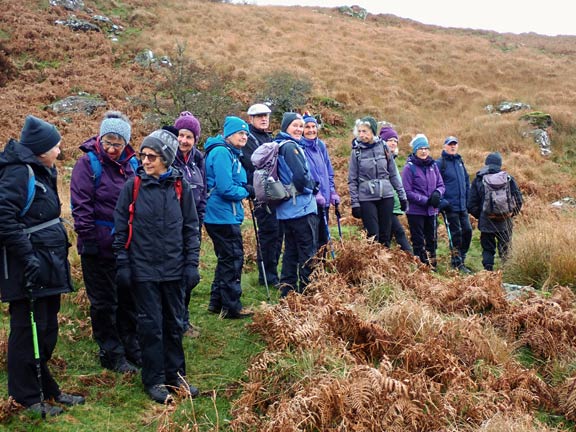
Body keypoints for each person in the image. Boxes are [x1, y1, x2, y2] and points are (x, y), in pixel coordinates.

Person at [0, 115, 85, 416]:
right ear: (40, 149)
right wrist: (27, 256)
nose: (60, 151)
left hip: (47, 263)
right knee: (28, 331)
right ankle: (25, 397)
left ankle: (46, 388)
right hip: (28, 266)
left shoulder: (42, 170)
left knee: (46, 329)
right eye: (56, 146)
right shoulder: (17, 173)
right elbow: (4, 219)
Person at [113, 129, 201, 404]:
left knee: (174, 324)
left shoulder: (180, 187)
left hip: (174, 269)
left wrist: (191, 264)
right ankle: (154, 380)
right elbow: (120, 228)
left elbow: (191, 227)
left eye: (152, 156)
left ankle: (177, 377)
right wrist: (123, 264)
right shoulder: (133, 186)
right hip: (144, 271)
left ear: (166, 159)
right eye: (143, 155)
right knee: (151, 327)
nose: (146, 161)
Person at [70, 111, 140, 374]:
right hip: (97, 247)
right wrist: (88, 240)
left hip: (126, 246)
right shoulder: (87, 164)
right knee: (104, 302)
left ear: (126, 143)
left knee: (128, 298)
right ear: (100, 138)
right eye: (107, 141)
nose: (111, 148)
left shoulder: (133, 165)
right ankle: (111, 352)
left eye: (117, 143)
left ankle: (131, 344)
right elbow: (81, 206)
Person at [204, 116, 254, 319]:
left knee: (226, 259)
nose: (244, 136)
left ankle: (216, 303)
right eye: (240, 133)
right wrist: (247, 190)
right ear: (228, 134)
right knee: (233, 259)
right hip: (222, 216)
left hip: (223, 214)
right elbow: (225, 188)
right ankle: (232, 307)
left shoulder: (229, 153)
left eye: (245, 133)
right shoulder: (222, 153)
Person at [275, 112, 318, 297]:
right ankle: (307, 293)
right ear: (286, 127)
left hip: (286, 209)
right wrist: (311, 188)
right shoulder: (290, 147)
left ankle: (288, 292)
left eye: (301, 125)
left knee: (290, 252)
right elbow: (300, 176)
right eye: (295, 125)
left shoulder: (280, 145)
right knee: (307, 253)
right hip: (301, 208)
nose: (300, 129)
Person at [171, 111, 206, 338]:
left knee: (189, 275)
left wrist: (199, 220)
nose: (184, 141)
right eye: (181, 135)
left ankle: (184, 319)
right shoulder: (166, 159)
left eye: (189, 137)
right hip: (172, 228)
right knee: (175, 275)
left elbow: (202, 194)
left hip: (192, 227)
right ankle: (177, 322)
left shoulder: (198, 161)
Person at [348, 117, 407, 248]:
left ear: (373, 132)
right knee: (373, 235)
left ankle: (383, 265)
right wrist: (355, 203)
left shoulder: (384, 147)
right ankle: (374, 263)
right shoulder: (356, 152)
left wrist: (402, 196)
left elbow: (393, 174)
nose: (361, 134)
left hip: (386, 196)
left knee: (386, 236)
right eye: (360, 131)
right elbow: (352, 180)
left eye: (365, 131)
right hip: (366, 198)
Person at [241, 103, 282, 287]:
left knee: (278, 232)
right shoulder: (249, 139)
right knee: (268, 233)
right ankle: (267, 275)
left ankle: (273, 273)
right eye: (259, 116)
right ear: (251, 119)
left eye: (266, 115)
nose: (264, 118)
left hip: (274, 192)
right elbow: (253, 164)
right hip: (260, 194)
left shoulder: (268, 137)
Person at [467, 152, 523, 271]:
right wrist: (510, 214)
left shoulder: (479, 179)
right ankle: (508, 272)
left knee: (488, 249)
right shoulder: (508, 178)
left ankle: (488, 274)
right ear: (500, 164)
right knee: (506, 248)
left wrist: (482, 215)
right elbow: (519, 200)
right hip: (505, 222)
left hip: (487, 223)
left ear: (486, 164)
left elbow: (471, 204)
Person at [401, 134, 445, 268]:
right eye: (420, 148)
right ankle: (421, 267)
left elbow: (441, 185)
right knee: (418, 240)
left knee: (432, 239)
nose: (424, 151)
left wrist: (438, 193)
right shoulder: (409, 168)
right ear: (415, 150)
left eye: (426, 148)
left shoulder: (433, 166)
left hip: (431, 210)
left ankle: (432, 265)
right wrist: (425, 200)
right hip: (415, 211)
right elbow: (407, 192)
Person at [301, 113, 340, 254]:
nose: (311, 130)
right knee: (313, 238)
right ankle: (313, 271)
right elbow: (304, 174)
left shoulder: (321, 146)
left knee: (324, 238)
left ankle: (322, 271)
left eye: (313, 126)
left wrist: (332, 191)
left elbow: (328, 170)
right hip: (310, 201)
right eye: (307, 127)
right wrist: (315, 193)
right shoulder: (300, 147)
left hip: (325, 199)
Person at [436, 136, 473, 273]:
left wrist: (468, 201)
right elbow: (435, 184)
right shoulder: (440, 163)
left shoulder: (460, 162)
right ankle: (456, 263)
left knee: (468, 231)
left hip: (462, 206)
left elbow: (466, 182)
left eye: (455, 144)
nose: (453, 147)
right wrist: (443, 203)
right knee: (455, 234)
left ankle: (461, 258)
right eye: (450, 144)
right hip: (449, 207)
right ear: (444, 146)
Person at [378, 126, 412, 252]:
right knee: (397, 233)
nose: (393, 143)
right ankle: (413, 260)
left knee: (389, 236)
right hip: (384, 203)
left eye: (395, 141)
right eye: (390, 140)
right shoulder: (382, 159)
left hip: (392, 204)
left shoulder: (392, 159)